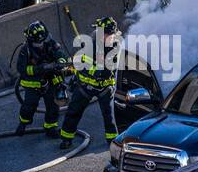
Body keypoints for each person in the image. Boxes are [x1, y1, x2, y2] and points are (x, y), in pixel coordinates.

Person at [59, 17, 120, 150]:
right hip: (85, 87)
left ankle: (112, 141)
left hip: (105, 88)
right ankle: (66, 138)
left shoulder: (114, 48)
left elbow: (103, 70)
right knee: (73, 112)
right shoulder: (91, 44)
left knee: (109, 116)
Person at [14, 21, 69, 138]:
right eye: (37, 43)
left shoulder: (50, 43)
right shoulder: (25, 50)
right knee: (29, 106)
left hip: (51, 80)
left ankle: (50, 127)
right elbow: (21, 69)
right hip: (33, 84)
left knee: (53, 105)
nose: (40, 44)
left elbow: (60, 54)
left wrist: (61, 62)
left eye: (42, 41)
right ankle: (23, 123)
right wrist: (39, 69)